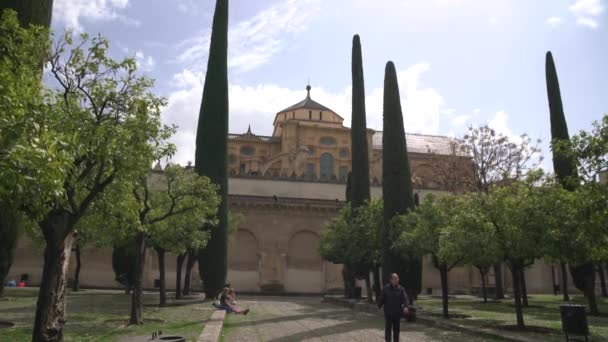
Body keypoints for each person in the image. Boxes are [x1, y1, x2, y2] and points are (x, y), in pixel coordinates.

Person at [377, 273, 409, 342]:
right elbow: (381, 298)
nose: (397, 280)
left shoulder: (401, 289)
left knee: (396, 330)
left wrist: (406, 306)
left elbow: (405, 298)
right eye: (395, 278)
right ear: (391, 280)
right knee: (388, 329)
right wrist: (379, 306)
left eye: (397, 278)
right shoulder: (386, 288)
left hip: (397, 313)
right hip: (388, 313)